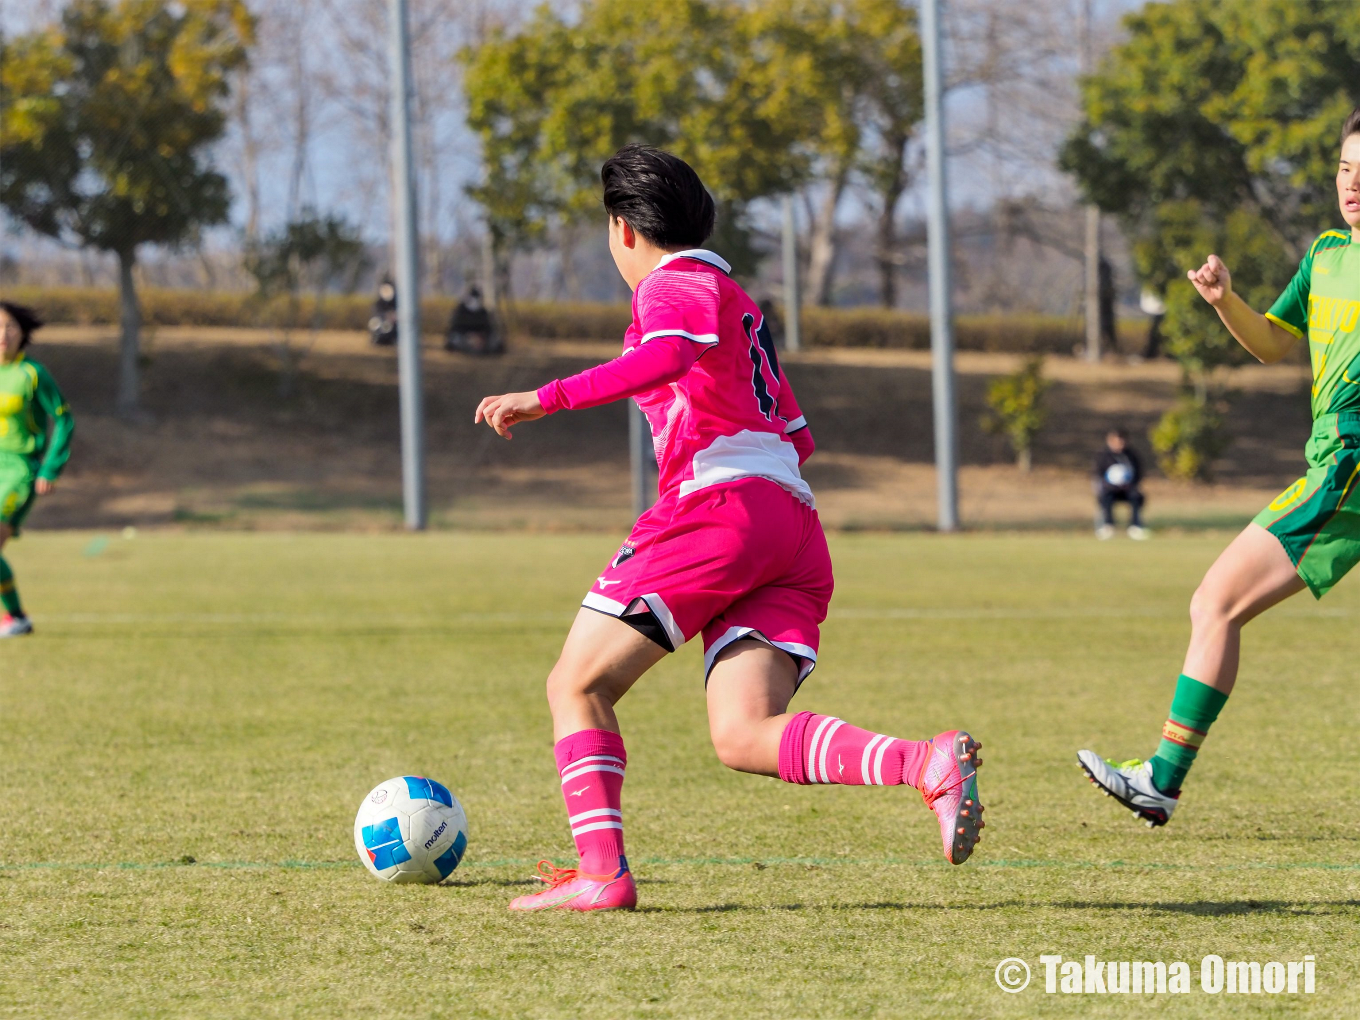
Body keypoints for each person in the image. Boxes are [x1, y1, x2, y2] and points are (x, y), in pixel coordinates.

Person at [475, 144, 984, 912]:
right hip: (791, 524)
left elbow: (667, 357)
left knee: (575, 684)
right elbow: (797, 434)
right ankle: (925, 762)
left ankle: (601, 874)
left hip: (721, 510)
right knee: (743, 733)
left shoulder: (671, 284)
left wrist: (543, 397)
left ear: (622, 229)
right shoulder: (739, 300)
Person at [1079, 106, 1360, 827]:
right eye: (1344, 168)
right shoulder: (1327, 255)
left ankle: (1162, 781)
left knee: (1216, 601)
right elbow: (1271, 342)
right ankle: (1162, 780)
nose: (1351, 185)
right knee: (1215, 604)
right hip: (1330, 462)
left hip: (1348, 470)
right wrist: (1223, 300)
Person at [0, 302, 74, 637]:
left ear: (22, 332)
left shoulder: (33, 374)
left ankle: (16, 618)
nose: (3, 334)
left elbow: (63, 418)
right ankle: (16, 618)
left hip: (19, 471)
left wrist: (50, 468)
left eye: (10, 326)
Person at [1093, 428, 1147, 540]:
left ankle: (1135, 526)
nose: (1119, 444)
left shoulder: (1131, 456)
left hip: (1127, 489)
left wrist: (1129, 484)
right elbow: (1098, 475)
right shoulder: (1104, 456)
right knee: (1105, 497)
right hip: (1110, 489)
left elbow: (1138, 474)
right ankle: (1108, 526)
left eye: (1121, 441)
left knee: (1136, 496)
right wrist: (1109, 485)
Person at [444, 284, 500, 355]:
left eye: (477, 298)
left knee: (494, 340)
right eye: (473, 298)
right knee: (456, 338)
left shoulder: (483, 312)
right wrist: (469, 336)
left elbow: (488, 328)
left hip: (481, 340)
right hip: (463, 337)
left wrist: (481, 337)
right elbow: (455, 327)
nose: (475, 301)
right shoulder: (461, 310)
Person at [369, 278, 397, 347]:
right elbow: (376, 311)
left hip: (390, 325)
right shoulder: (379, 302)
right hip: (380, 323)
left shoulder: (395, 302)